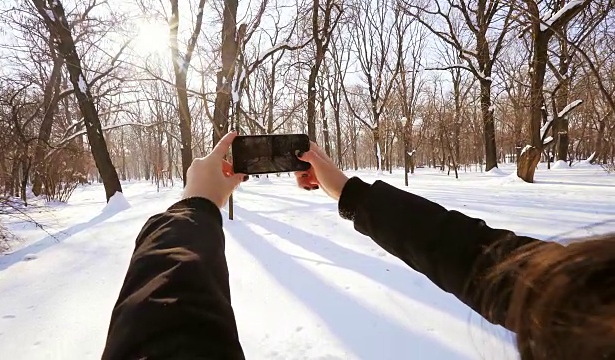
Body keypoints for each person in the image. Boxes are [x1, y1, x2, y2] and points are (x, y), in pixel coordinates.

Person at [102, 131, 615, 360]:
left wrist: (196, 206)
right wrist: (348, 192)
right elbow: (488, 261)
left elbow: (163, 338)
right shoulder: (594, 306)